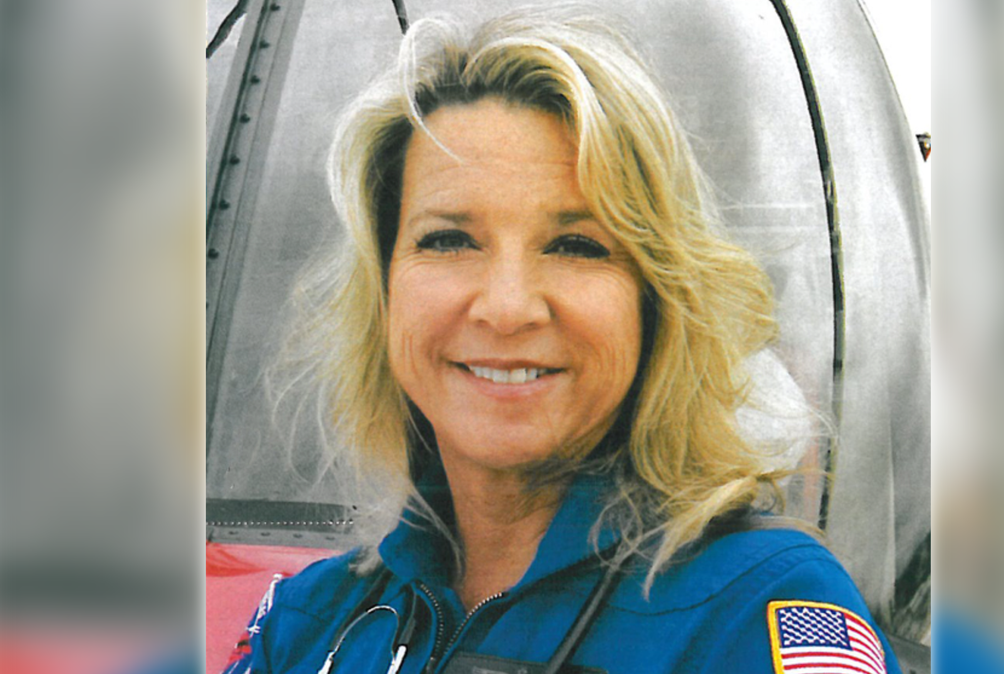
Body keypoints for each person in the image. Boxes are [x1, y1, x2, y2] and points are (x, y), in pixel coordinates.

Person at [226, 8, 903, 674]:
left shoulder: (762, 610)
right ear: (384, 291)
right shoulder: (312, 622)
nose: (506, 308)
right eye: (449, 239)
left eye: (576, 246)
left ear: (655, 302)